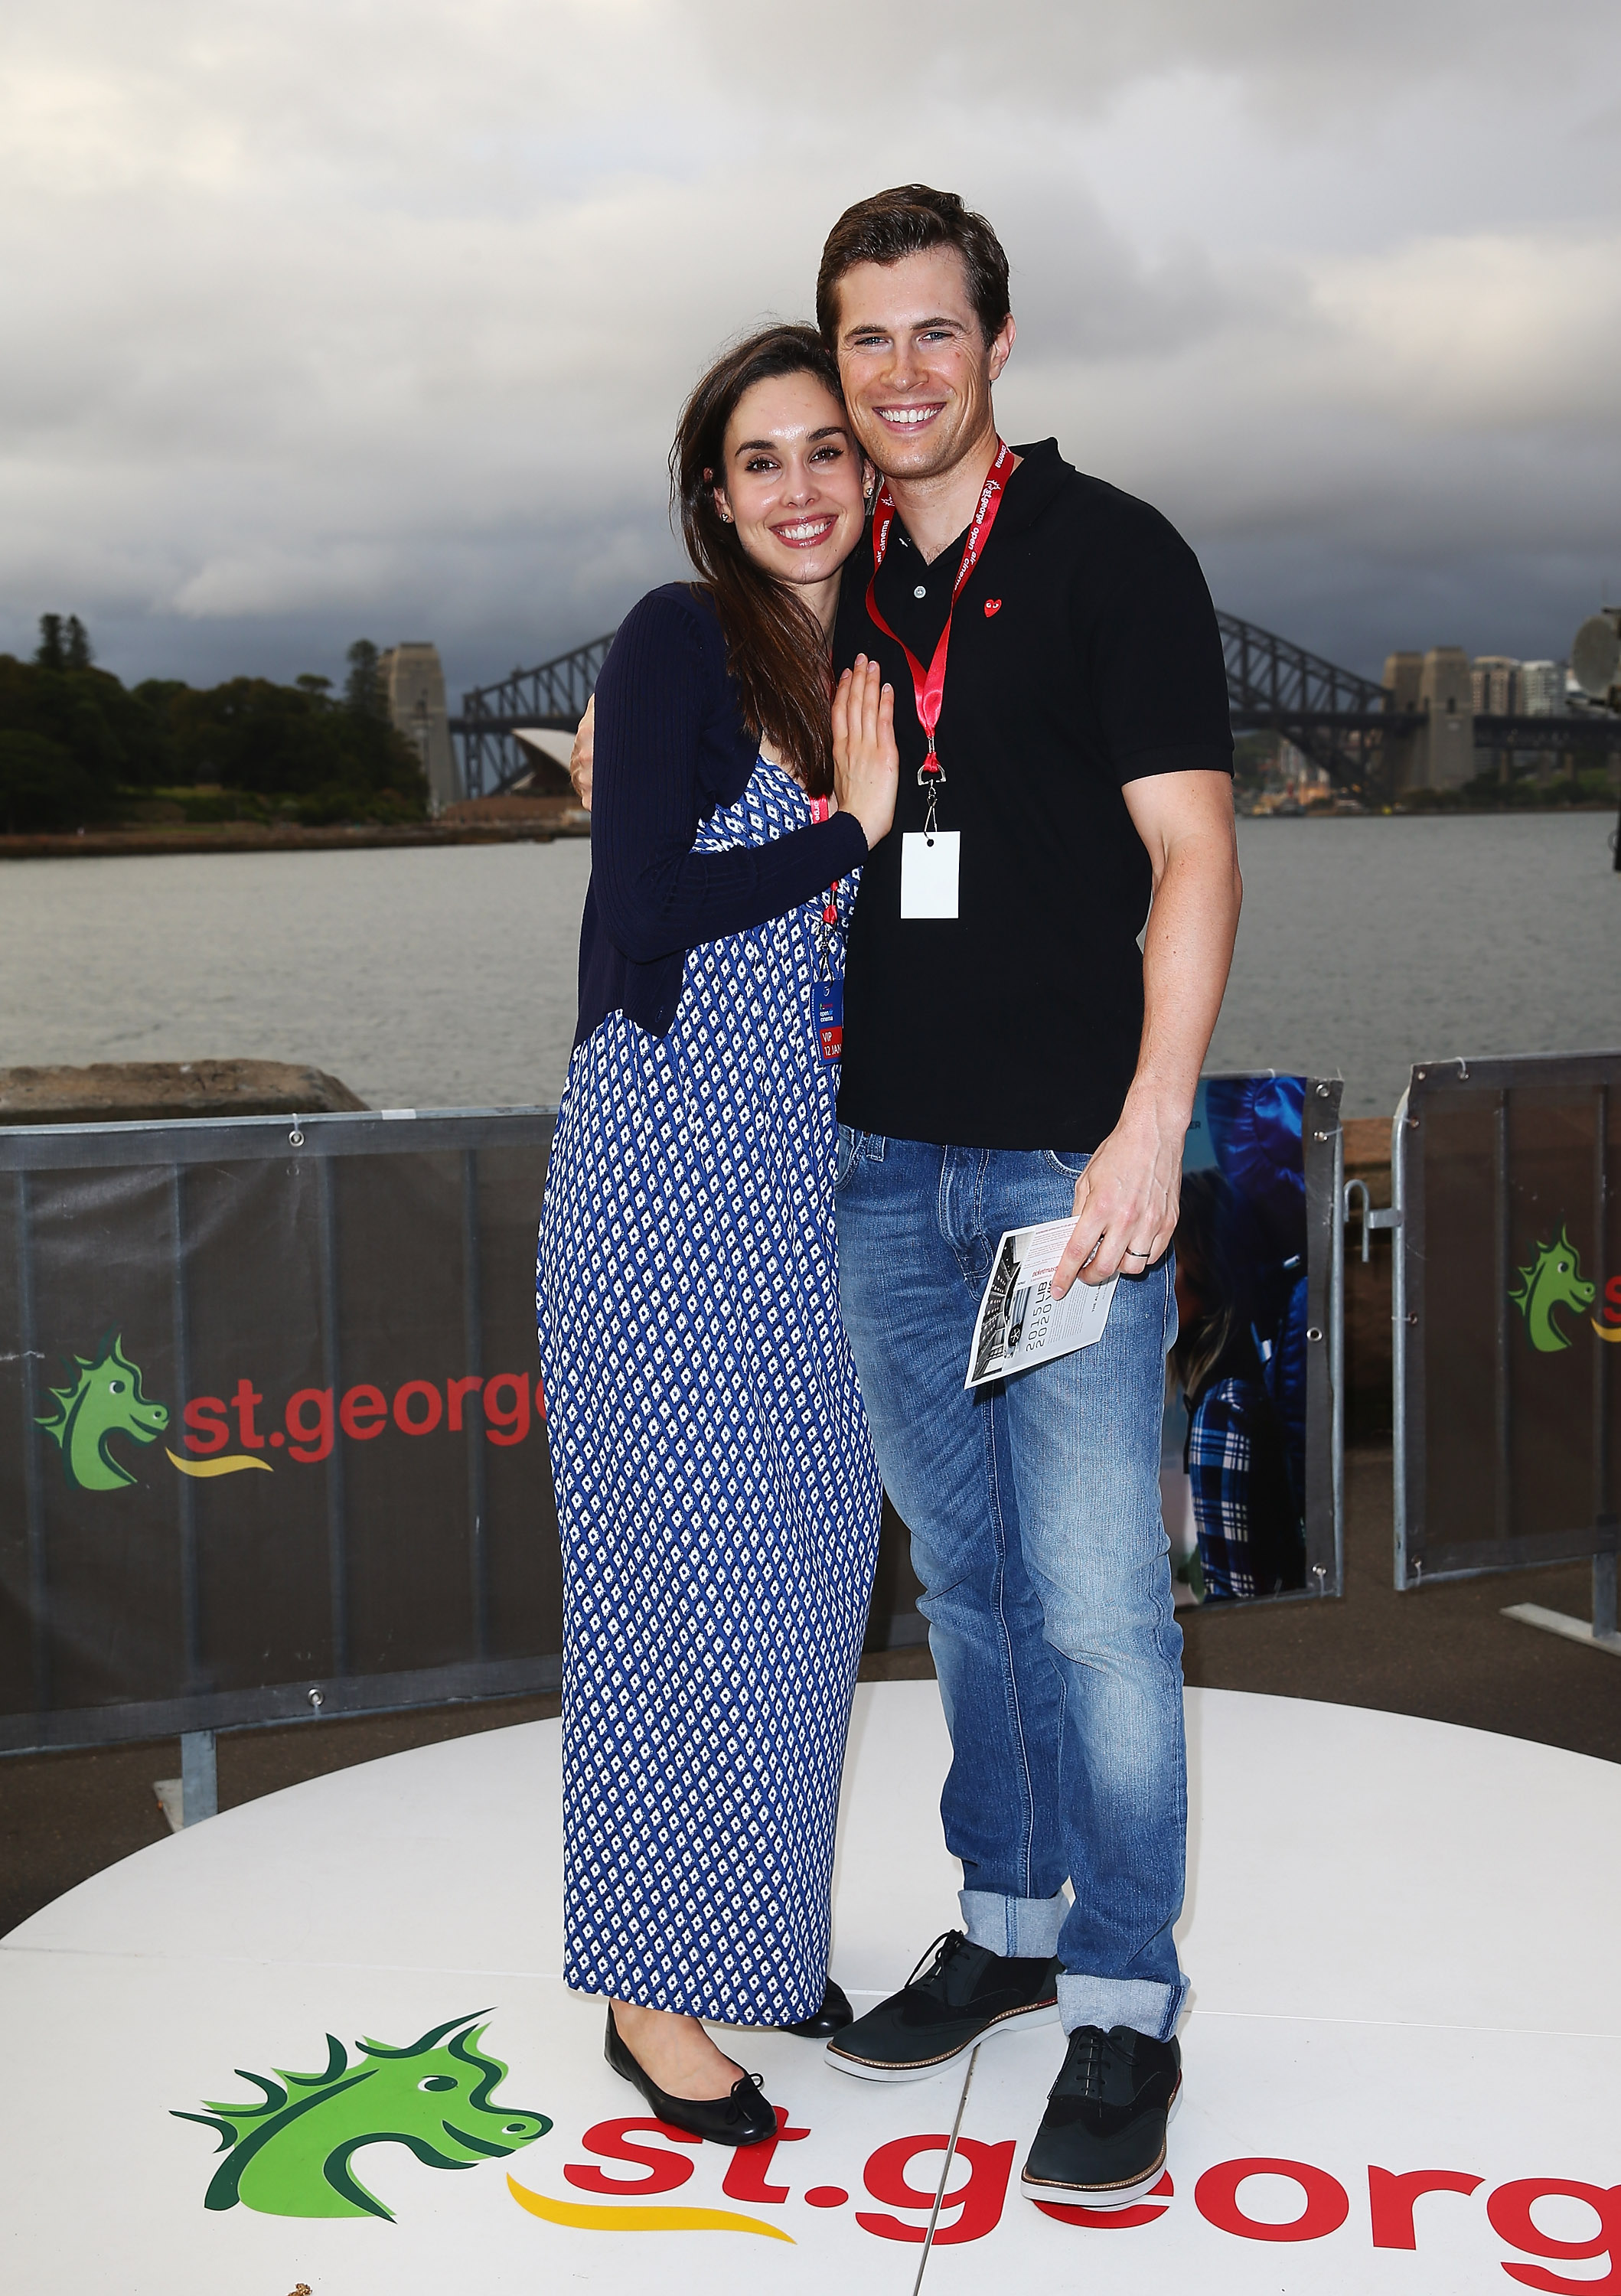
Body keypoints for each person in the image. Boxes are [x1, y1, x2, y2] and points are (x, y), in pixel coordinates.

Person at [815, 188, 1243, 2211]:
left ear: (995, 341)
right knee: (966, 1586)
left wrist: (1147, 1126)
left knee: (1095, 1613)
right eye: (862, 341)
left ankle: (1123, 2002)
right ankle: (1000, 1915)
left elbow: (1192, 860)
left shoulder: (1106, 555)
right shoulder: (827, 586)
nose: (897, 373)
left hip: (1057, 1178)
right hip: (879, 1171)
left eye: (930, 332)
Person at [536, 324, 899, 2148]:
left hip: (805, 1178)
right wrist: (846, 829)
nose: (800, 487)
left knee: (807, 1563)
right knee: (672, 1593)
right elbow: (649, 896)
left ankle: (744, 1934)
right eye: (760, 459)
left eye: (824, 449)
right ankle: (644, 1994)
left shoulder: (874, 659)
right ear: (713, 493)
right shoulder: (677, 639)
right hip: (667, 1169)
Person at [1173, 1168, 1306, 1602]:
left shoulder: (1222, 1412)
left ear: (1202, 1269)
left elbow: (1237, 1602)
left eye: (1162, 1261)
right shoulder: (1239, 1385)